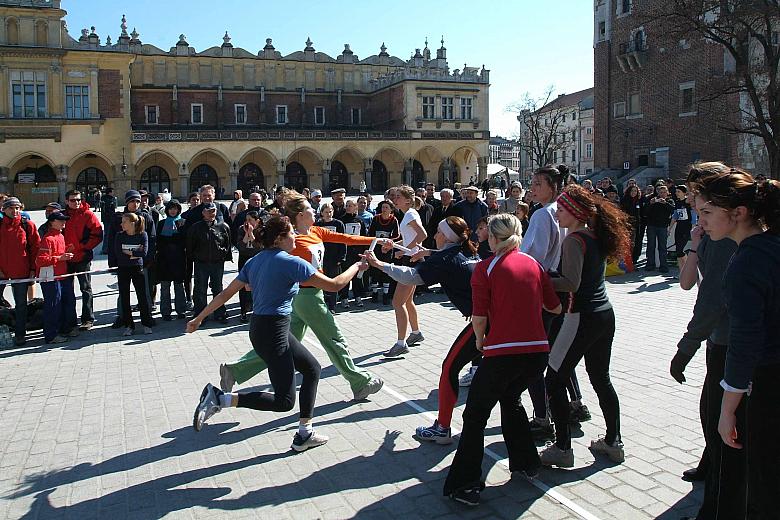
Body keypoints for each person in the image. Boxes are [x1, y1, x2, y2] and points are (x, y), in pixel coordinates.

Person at [190, 217, 370, 451]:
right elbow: (334, 285)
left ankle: (304, 433)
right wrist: (358, 266)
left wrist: (199, 318)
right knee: (284, 402)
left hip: (263, 328)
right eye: (291, 233)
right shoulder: (292, 262)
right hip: (273, 331)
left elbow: (226, 294)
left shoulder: (254, 261)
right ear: (279, 239)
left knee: (312, 369)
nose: (296, 236)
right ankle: (219, 398)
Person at [219, 192, 390, 401]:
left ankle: (234, 370)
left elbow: (346, 238)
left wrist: (377, 240)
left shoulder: (315, 231)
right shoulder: (294, 241)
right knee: (334, 339)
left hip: (306, 296)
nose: (314, 211)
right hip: (307, 297)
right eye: (310, 208)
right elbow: (274, 264)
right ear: (300, 215)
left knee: (284, 345)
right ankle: (359, 381)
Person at [443, 213, 562, 506]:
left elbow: (479, 317)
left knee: (475, 415)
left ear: (494, 239)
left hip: (503, 353)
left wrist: (482, 343)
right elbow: (555, 307)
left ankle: (467, 484)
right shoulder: (534, 264)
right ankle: (526, 462)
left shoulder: (486, 268)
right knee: (511, 398)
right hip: (536, 354)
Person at [693, 169, 780, 520]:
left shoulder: (745, 261)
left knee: (763, 488)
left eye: (708, 213)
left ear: (738, 214)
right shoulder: (771, 245)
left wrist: (727, 409)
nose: (701, 222)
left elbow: (745, 343)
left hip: (766, 383)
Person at [670, 162, 744, 520]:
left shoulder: (730, 241)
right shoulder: (711, 236)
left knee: (723, 431)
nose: (695, 207)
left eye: (702, 203)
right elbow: (688, 283)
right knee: (716, 421)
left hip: (730, 346)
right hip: (721, 342)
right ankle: (710, 473)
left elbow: (712, 300)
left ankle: (714, 509)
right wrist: (694, 246)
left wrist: (685, 347)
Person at [367, 216, 480, 444]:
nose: (435, 235)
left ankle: (442, 428)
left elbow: (411, 277)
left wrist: (378, 264)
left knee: (449, 368)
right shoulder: (464, 251)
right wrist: (424, 253)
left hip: (485, 323)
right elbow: (445, 258)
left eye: (439, 232)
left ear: (447, 237)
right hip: (494, 320)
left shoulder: (445, 259)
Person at [538, 185, 628, 468]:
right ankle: (614, 442)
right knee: (601, 378)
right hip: (604, 313)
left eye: (562, 210)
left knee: (553, 379)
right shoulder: (594, 235)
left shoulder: (574, 240)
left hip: (581, 316)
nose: (557, 215)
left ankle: (563, 448)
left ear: (575, 213)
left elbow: (570, 283)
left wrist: (537, 278)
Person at [384, 186, 428, 358]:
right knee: (407, 301)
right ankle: (416, 333)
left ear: (408, 200)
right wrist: (395, 245)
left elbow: (422, 235)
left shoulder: (409, 214)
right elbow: (410, 238)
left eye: (398, 197)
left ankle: (401, 343)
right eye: (395, 197)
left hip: (412, 261)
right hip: (412, 259)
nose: (395, 200)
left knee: (397, 303)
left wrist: (404, 250)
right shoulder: (409, 214)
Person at [107, 191, 156, 328]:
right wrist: (112, 260)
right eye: (133, 201)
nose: (136, 204)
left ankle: (147, 318)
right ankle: (122, 316)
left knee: (144, 291)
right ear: (127, 202)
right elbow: (112, 241)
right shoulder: (118, 219)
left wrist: (148, 258)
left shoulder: (146, 217)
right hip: (122, 262)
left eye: (138, 201)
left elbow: (152, 239)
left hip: (140, 262)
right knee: (123, 293)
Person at [0, 197, 41, 346]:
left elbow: (35, 248)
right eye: (11, 208)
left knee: (21, 304)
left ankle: (20, 334)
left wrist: (32, 269)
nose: (15, 211)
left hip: (21, 271)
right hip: (1, 272)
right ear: (4, 209)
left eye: (17, 208)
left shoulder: (27, 225)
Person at [63, 189, 103, 331]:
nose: (77, 202)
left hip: (82, 258)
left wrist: (82, 247)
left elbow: (98, 235)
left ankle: (87, 319)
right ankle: (69, 319)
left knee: (85, 289)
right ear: (67, 201)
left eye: (79, 199)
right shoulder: (63, 215)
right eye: (73, 200)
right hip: (66, 259)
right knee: (67, 291)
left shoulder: (88, 215)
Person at [187, 202, 232, 324]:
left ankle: (220, 313)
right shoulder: (196, 227)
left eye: (213, 211)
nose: (211, 213)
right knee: (200, 289)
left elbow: (227, 244)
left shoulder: (223, 226)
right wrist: (196, 257)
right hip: (201, 263)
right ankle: (201, 315)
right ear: (203, 213)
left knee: (218, 288)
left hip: (217, 263)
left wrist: (222, 254)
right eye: (208, 211)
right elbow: (190, 246)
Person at [36, 211, 76, 344]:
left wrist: (66, 252)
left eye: (64, 220)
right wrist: (60, 257)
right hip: (50, 277)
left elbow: (58, 254)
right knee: (53, 306)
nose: (64, 222)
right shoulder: (47, 239)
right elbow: (41, 260)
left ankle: (63, 329)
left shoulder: (60, 236)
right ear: (52, 222)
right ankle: (51, 335)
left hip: (61, 276)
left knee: (64, 303)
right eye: (61, 220)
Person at [114, 212, 154, 336]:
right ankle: (129, 325)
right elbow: (118, 253)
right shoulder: (119, 235)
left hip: (137, 268)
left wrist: (130, 253)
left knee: (142, 296)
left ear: (132, 223)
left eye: (124, 222)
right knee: (125, 297)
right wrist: (135, 252)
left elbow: (144, 253)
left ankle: (146, 324)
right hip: (123, 268)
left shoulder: (143, 235)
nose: (121, 224)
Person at [155, 200, 187, 321]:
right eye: (170, 208)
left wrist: (171, 239)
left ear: (179, 209)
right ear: (167, 210)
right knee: (165, 287)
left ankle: (181, 310)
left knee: (179, 286)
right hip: (164, 259)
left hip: (178, 259)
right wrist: (172, 239)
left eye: (175, 208)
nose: (173, 211)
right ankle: (165, 312)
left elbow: (184, 240)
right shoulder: (162, 223)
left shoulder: (183, 222)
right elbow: (158, 240)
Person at [367, 200, 400, 305]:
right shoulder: (376, 218)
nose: (384, 209)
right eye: (383, 207)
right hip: (377, 247)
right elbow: (371, 233)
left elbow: (396, 235)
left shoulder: (394, 220)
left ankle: (386, 294)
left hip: (388, 248)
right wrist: (378, 243)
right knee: (375, 269)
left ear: (391, 209)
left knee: (386, 270)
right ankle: (375, 293)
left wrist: (387, 244)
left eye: (386, 207)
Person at [315, 203, 346, 312]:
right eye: (326, 212)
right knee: (321, 282)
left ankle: (332, 306)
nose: (329, 214)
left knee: (333, 282)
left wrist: (341, 257)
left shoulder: (338, 224)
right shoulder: (317, 225)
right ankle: (322, 305)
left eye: (330, 211)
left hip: (334, 258)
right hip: (321, 258)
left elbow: (343, 241)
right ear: (322, 213)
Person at [339, 200, 369, 307]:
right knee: (346, 275)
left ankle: (358, 297)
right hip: (346, 252)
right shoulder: (341, 220)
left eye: (350, 206)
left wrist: (365, 251)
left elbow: (364, 237)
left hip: (358, 252)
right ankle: (344, 297)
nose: (348, 207)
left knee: (357, 276)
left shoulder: (359, 221)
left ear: (355, 207)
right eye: (346, 206)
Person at [236, 210, 263, 322]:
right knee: (243, 286)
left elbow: (259, 248)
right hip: (244, 261)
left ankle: (257, 310)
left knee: (258, 286)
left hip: (258, 261)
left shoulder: (262, 231)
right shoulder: (241, 229)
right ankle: (244, 311)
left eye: (250, 220)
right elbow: (240, 247)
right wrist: (246, 234)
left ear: (257, 221)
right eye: (246, 220)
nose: (247, 223)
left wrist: (251, 234)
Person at [644, 184, 675, 273]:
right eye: (660, 192)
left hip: (663, 226)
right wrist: (650, 203)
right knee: (650, 246)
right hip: (652, 225)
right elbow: (645, 211)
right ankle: (650, 264)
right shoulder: (652, 200)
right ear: (658, 193)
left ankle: (663, 266)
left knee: (662, 247)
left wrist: (665, 203)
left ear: (667, 193)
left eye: (664, 192)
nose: (662, 194)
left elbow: (673, 210)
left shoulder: (670, 201)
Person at [181, 191, 201, 311]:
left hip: (200, 249)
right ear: (189, 201)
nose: (195, 201)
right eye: (193, 199)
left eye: (197, 199)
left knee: (199, 275)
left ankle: (198, 298)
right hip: (187, 249)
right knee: (187, 275)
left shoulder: (203, 214)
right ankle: (188, 298)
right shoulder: (184, 215)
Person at [671, 185, 693, 272]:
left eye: (678, 192)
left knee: (680, 250)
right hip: (679, 228)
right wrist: (670, 227)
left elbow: (693, 217)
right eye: (676, 192)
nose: (676, 193)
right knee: (678, 251)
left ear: (684, 193)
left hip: (686, 228)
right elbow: (675, 216)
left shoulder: (688, 202)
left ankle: (688, 268)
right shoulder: (677, 202)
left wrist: (693, 228)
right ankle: (681, 271)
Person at [620, 184, 644, 263]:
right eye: (632, 191)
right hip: (628, 225)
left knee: (635, 243)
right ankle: (627, 262)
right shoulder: (625, 200)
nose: (634, 192)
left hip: (637, 225)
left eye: (635, 191)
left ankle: (634, 260)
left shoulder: (638, 200)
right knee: (629, 244)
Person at [100, 188, 117, 255]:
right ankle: (106, 249)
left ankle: (106, 248)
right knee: (108, 234)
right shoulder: (110, 199)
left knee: (107, 233)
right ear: (109, 192)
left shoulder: (103, 199)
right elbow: (111, 209)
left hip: (105, 218)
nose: (113, 193)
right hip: (109, 218)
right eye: (112, 192)